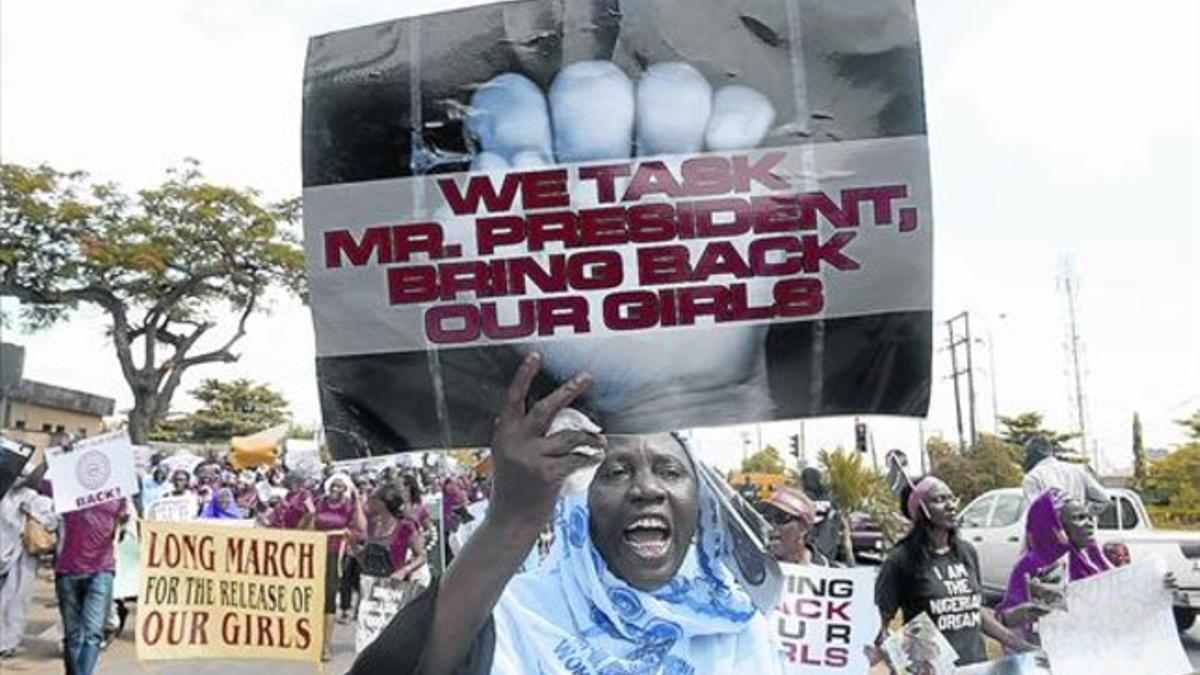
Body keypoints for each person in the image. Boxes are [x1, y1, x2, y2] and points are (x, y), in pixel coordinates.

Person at [352, 353, 783, 674]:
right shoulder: (515, 615)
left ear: (700, 504)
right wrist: (511, 520)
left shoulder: (739, 627)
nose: (648, 488)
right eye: (616, 471)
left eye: (670, 470)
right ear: (580, 510)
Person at [874, 475, 1032, 668]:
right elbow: (878, 626)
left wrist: (1016, 642)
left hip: (975, 667)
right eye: (939, 500)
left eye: (951, 498)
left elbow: (972, 609)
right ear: (920, 510)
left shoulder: (966, 552)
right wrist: (898, 657)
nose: (950, 505)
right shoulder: (901, 560)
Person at [995, 491, 1110, 641]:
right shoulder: (1031, 566)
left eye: (1089, 517)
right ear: (1055, 526)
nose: (1089, 523)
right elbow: (1007, 617)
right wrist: (1021, 613)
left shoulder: (1093, 559)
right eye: (1079, 518)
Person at [55, 496, 128, 675]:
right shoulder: (66, 492)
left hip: (101, 570)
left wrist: (123, 522)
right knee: (72, 636)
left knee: (93, 635)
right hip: (68, 570)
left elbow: (122, 534)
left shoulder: (117, 497)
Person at [0, 471, 56, 658]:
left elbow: (51, 522)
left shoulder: (33, 499)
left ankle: (9, 641)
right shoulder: (4, 495)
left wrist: (30, 512)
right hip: (5, 554)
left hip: (21, 557)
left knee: (17, 599)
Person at [313, 473, 366, 661]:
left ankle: (326, 645)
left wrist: (357, 499)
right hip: (313, 553)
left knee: (329, 596)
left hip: (335, 555)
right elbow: (305, 525)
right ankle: (310, 641)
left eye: (341, 487)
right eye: (333, 486)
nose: (336, 489)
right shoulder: (319, 502)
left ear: (346, 489)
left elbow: (361, 530)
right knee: (312, 597)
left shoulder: (349, 507)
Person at [1021, 437, 1110, 516]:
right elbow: (1104, 498)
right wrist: (1082, 513)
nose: (1023, 458)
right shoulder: (1077, 471)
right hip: (1078, 530)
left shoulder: (1033, 477)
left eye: (1025, 453)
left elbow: (1035, 513)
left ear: (1035, 453)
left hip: (1050, 532)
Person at [760, 486, 829, 566]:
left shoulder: (830, 573)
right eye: (767, 517)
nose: (771, 525)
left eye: (780, 517)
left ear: (803, 528)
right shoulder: (753, 568)